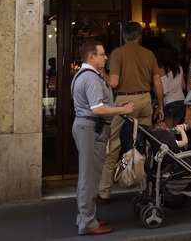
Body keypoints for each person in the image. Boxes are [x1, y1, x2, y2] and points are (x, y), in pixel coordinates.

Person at [72, 40, 134, 235]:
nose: (106, 57)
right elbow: (97, 108)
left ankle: (86, 217)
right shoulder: (90, 78)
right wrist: (121, 109)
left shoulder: (87, 75)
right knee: (89, 177)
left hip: (90, 128)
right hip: (91, 128)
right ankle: (88, 222)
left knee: (89, 175)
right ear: (91, 57)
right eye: (102, 54)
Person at [98, 21, 165, 201]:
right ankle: (144, 186)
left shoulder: (117, 53)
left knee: (114, 145)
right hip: (145, 100)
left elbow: (113, 83)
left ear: (124, 36)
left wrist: (101, 73)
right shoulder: (149, 54)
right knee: (143, 145)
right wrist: (160, 105)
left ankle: (104, 191)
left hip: (124, 102)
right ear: (140, 36)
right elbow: (158, 82)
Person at [155, 47, 186, 127]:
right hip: (181, 101)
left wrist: (158, 105)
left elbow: (163, 91)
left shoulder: (161, 70)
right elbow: (183, 86)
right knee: (176, 131)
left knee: (169, 132)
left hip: (169, 103)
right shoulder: (179, 68)